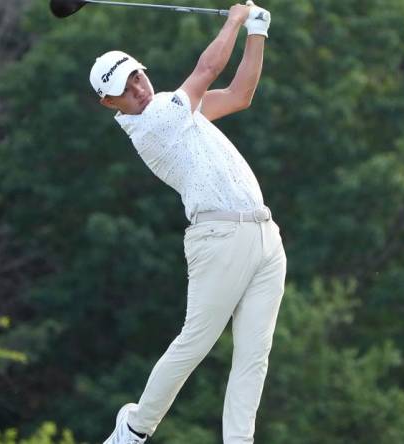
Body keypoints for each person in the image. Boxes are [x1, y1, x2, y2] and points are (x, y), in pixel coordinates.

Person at [89, 3, 284, 443]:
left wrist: (257, 32)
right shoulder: (152, 123)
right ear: (109, 103)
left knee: (255, 355)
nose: (137, 88)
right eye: (124, 87)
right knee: (195, 342)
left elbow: (239, 95)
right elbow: (209, 68)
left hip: (264, 235)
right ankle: (135, 429)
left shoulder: (173, 107)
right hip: (219, 237)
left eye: (136, 76)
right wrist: (235, 18)